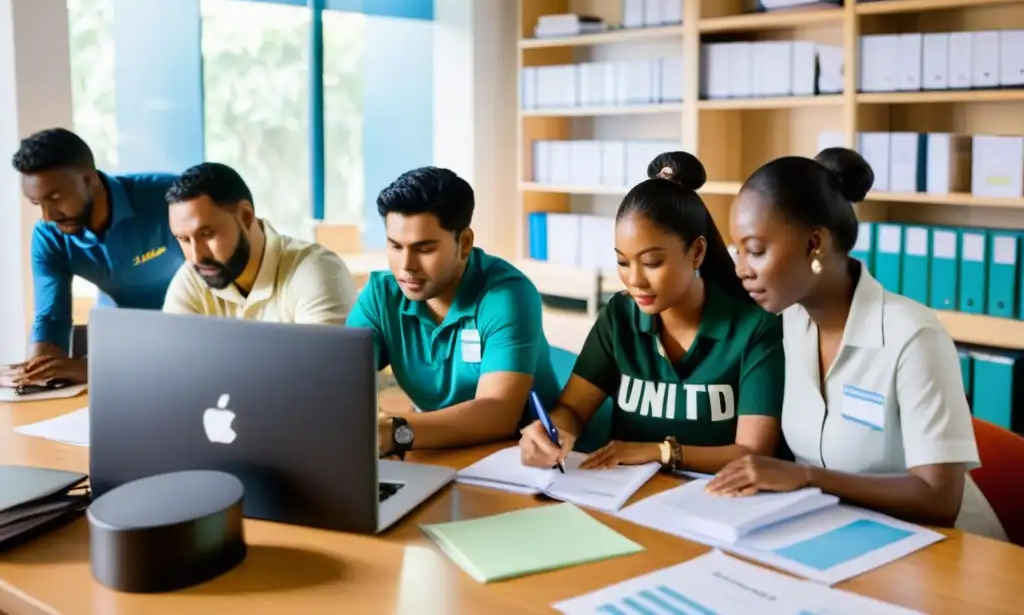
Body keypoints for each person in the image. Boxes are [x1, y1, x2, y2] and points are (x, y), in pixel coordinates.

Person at [707, 147, 1007, 540]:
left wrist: (807, 477)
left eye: (757, 250)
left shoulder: (913, 336)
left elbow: (939, 499)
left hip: (950, 554)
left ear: (815, 244)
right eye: (738, 250)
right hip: (845, 537)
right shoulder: (787, 324)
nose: (743, 268)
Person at [519, 152, 785, 474]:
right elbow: (573, 409)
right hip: (623, 497)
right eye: (622, 261)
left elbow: (754, 453)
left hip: (716, 501)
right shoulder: (620, 315)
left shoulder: (754, 329)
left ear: (696, 252)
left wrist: (659, 452)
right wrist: (555, 432)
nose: (634, 280)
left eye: (651, 263)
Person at [346, 166, 561, 456]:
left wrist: (395, 432)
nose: (406, 265)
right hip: (436, 448)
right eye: (395, 246)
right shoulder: (381, 295)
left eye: (423, 249)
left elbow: (498, 414)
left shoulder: (507, 296)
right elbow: (337, 381)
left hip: (522, 457)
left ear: (465, 243)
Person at [5, 128, 183, 387]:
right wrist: (34, 375)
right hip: (120, 348)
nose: (47, 216)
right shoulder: (48, 235)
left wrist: (91, 368)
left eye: (55, 198)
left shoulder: (168, 197)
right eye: (37, 204)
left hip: (189, 340)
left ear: (89, 179)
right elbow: (52, 319)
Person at [162, 162, 357, 324]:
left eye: (207, 234)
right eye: (184, 239)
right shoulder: (192, 279)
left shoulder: (314, 271)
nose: (196, 256)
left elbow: (325, 369)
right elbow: (171, 365)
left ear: (246, 216)